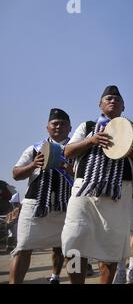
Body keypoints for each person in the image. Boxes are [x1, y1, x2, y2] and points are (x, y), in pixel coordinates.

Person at [61, 85, 133, 284]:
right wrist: (92, 140)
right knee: (74, 240)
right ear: (100, 104)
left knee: (111, 246)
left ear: (123, 107)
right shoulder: (87, 126)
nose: (113, 100)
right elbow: (67, 152)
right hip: (85, 189)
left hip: (118, 191)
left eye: (117, 99)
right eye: (108, 98)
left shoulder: (131, 129)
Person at [10, 108, 73, 284]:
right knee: (23, 248)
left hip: (67, 207)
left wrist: (71, 169)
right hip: (35, 205)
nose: (58, 126)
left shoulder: (77, 149)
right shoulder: (34, 148)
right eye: (55, 123)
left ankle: (59, 276)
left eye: (63, 123)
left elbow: (86, 177)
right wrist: (33, 165)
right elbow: (16, 173)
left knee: (72, 250)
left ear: (70, 127)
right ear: (47, 128)